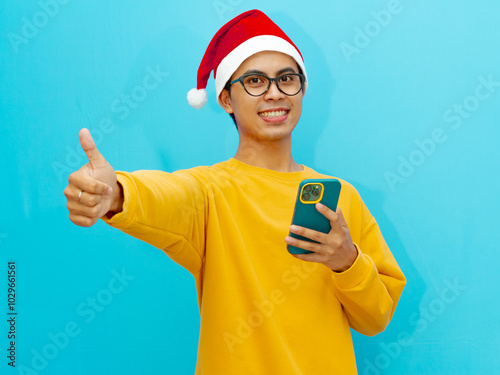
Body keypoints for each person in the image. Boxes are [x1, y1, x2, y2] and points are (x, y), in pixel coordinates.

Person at [64, 9, 406, 374]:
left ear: (302, 90)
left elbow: (376, 318)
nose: (274, 93)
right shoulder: (209, 192)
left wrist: (348, 261)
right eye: (255, 81)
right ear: (226, 99)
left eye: (287, 79)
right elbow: (164, 194)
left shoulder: (341, 199)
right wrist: (115, 192)